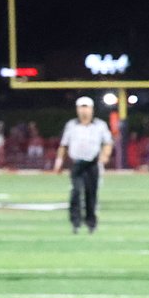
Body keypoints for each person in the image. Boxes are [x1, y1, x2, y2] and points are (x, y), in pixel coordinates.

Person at [52, 96, 113, 233]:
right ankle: (75, 222)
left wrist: (105, 155)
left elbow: (108, 142)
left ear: (92, 109)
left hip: (92, 163)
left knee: (91, 194)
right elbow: (64, 144)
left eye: (86, 107)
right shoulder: (71, 125)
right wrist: (59, 162)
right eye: (81, 107)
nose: (84, 110)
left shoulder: (100, 125)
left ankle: (91, 223)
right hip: (77, 163)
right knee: (75, 192)